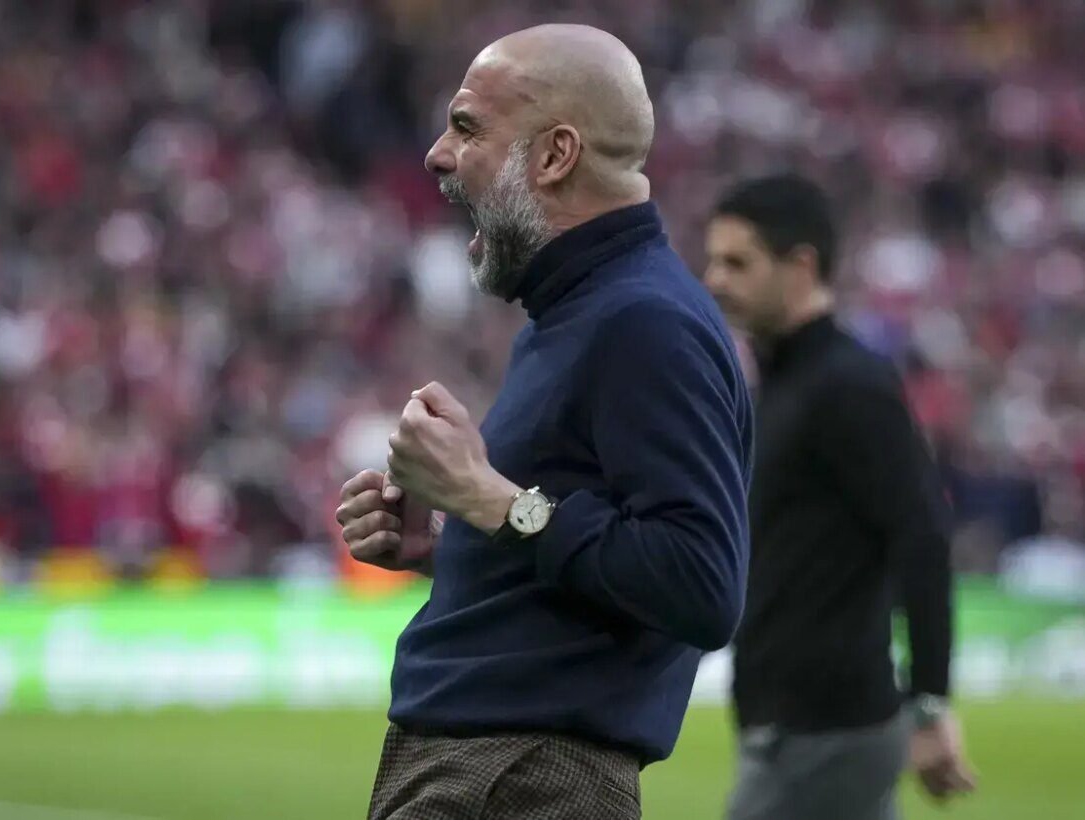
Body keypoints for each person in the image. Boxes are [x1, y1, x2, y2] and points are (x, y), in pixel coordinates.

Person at [334, 24, 753, 820]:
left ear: (555, 155)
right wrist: (452, 545)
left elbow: (701, 583)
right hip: (502, 771)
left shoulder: (645, 321)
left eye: (467, 127)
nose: (436, 155)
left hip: (522, 777)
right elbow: (577, 546)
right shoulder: (580, 311)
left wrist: (489, 500)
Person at [702, 173, 977, 820]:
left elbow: (922, 534)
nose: (714, 280)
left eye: (738, 263)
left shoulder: (848, 386)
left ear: (801, 266)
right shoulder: (784, 386)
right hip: (796, 725)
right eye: (713, 261)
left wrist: (930, 702)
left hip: (826, 729)